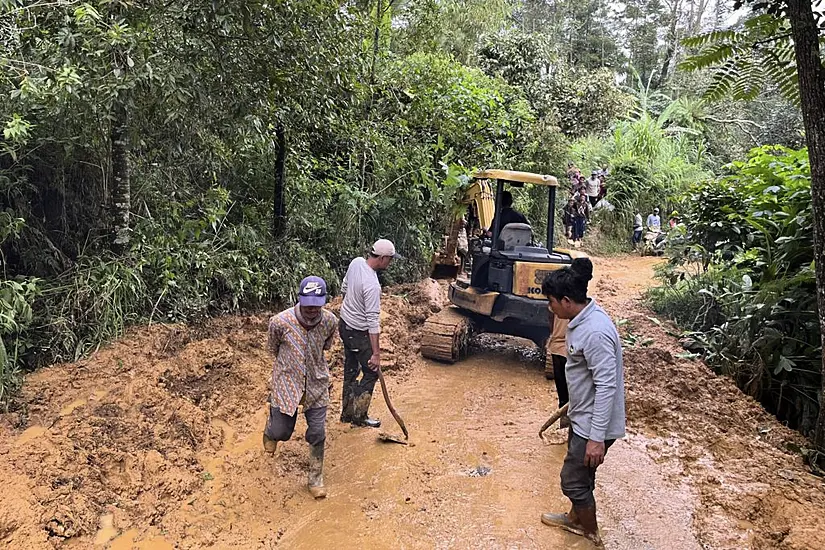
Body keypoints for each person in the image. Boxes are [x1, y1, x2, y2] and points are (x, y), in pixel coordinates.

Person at [540, 258, 625, 546]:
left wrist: (596, 438)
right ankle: (576, 518)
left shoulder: (596, 332)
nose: (550, 307)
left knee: (572, 479)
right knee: (583, 475)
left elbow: (606, 386)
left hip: (592, 424)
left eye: (551, 302)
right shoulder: (582, 318)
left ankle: (590, 534)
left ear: (566, 300)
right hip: (583, 416)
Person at [263, 276, 338, 499]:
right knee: (282, 432)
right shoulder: (280, 322)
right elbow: (272, 348)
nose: (313, 310)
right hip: (287, 384)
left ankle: (315, 479)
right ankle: (270, 430)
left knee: (317, 432)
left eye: (317, 305)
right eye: (308, 305)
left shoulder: (330, 322)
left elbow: (326, 346)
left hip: (316, 383)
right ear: (300, 299)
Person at [339, 239, 402, 428]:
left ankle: (346, 413)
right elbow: (372, 322)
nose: (389, 263)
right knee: (370, 372)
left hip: (344, 326)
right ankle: (359, 416)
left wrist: (350, 310)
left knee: (351, 368)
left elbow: (344, 289)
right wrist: (376, 354)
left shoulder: (356, 262)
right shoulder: (373, 286)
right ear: (382, 258)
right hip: (358, 332)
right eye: (389, 260)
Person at [546, 314, 571, 429]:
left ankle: (565, 424)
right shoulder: (582, 307)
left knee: (563, 393)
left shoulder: (556, 302)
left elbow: (550, 319)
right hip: (570, 350)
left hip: (558, 347)